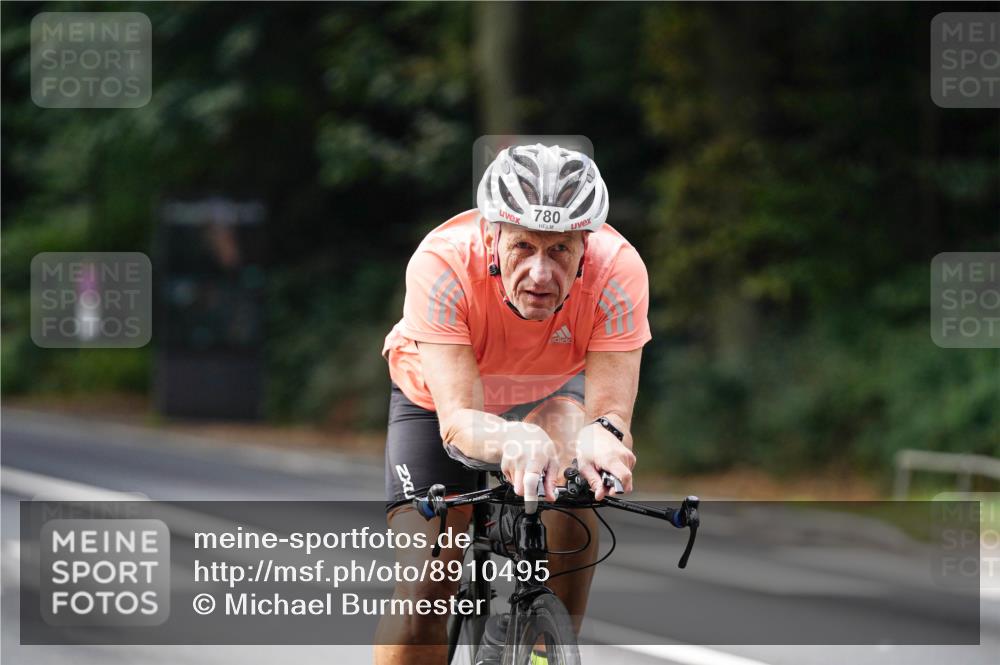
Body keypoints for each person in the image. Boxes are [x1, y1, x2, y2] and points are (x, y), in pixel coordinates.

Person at [374, 143, 651, 664]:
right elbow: (457, 422)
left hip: (548, 393)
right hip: (437, 400)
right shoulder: (442, 261)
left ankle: (549, 649)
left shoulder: (618, 271)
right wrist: (510, 438)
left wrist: (607, 443)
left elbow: (609, 416)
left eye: (560, 250)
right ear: (492, 235)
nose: (542, 274)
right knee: (425, 583)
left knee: (577, 491)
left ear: (585, 246)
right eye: (523, 247)